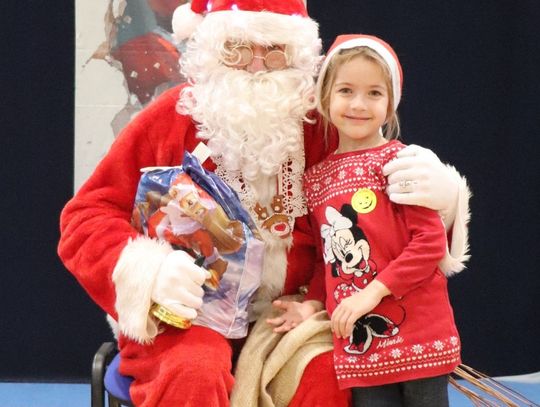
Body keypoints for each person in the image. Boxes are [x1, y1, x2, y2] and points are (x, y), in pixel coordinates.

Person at [58, 1, 470, 406]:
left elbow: (388, 209)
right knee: (193, 372)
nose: (256, 65)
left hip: (295, 312)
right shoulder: (172, 116)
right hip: (189, 314)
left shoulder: (324, 125)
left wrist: (444, 199)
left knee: (328, 376)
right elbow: (87, 216)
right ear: (211, 49)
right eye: (237, 49)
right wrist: (150, 272)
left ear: (298, 57)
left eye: (274, 52)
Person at [266, 34, 463, 406]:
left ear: (391, 104)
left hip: (420, 336)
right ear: (325, 97)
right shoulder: (315, 181)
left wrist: (371, 293)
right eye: (346, 90)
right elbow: (327, 262)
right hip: (361, 345)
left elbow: (429, 244)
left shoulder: (401, 164)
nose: (358, 104)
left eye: (374, 93)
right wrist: (312, 305)